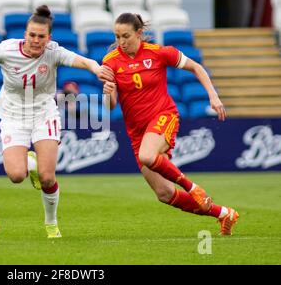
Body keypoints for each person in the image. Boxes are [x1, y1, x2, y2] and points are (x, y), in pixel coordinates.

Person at [0, 5, 104, 238]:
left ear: (48, 38)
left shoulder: (53, 52)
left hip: (44, 114)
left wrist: (96, 68)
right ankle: (29, 163)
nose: (36, 40)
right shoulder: (6, 50)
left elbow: (83, 61)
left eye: (41, 36)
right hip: (13, 117)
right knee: (16, 176)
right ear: (25, 34)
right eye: (32, 35)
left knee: (48, 176)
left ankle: (51, 224)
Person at [100, 13, 239, 235]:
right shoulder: (110, 62)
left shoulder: (159, 53)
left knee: (147, 155)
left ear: (139, 33)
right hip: (137, 132)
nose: (121, 42)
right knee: (165, 194)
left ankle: (192, 187)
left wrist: (213, 95)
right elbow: (111, 105)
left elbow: (197, 67)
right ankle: (223, 213)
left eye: (125, 36)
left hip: (163, 116)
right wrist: (107, 93)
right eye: (117, 36)